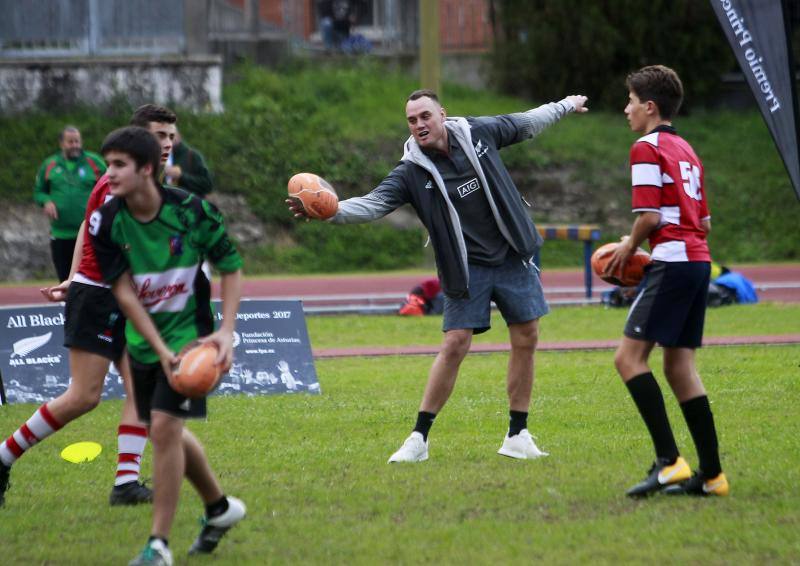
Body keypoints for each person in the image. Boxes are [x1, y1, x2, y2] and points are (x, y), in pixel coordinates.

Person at [288, 89, 588, 463]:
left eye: (425, 116)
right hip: (466, 268)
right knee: (455, 343)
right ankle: (419, 438)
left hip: (513, 254)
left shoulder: (479, 132)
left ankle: (517, 434)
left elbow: (526, 122)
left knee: (527, 336)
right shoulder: (410, 172)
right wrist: (330, 211)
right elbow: (373, 203)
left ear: (442, 115)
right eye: (412, 120)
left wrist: (564, 105)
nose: (419, 125)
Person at [0, 107, 180, 509]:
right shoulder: (119, 183)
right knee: (83, 396)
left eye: (171, 135)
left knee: (141, 387)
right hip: (101, 296)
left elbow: (88, 225)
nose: (167, 142)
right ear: (138, 139)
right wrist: (80, 277)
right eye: (159, 135)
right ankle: (3, 456)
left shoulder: (144, 179)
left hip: (116, 294)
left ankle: (126, 483)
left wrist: (71, 272)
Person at [89, 126, 245, 565]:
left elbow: (231, 266)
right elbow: (122, 291)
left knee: (163, 429)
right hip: (143, 341)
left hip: (191, 338)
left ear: (146, 169)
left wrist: (226, 332)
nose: (110, 173)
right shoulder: (106, 219)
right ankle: (219, 508)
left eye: (119, 165)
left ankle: (158, 544)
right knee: (168, 430)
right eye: (108, 164)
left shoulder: (194, 211)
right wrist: (156, 348)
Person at [605, 65, 728, 497]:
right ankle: (712, 476)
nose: (627, 109)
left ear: (650, 106)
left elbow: (651, 217)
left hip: (674, 261)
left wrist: (628, 247)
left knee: (628, 359)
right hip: (698, 261)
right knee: (679, 366)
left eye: (632, 101)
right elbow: (705, 222)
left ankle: (669, 461)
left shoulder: (646, 147)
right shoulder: (687, 149)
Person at [34, 126, 106, 281]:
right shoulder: (50, 165)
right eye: (70, 142)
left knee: (90, 281)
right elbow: (39, 191)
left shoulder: (94, 162)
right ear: (61, 143)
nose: (75, 145)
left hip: (90, 234)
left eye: (77, 141)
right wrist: (45, 201)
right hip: (60, 234)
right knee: (65, 280)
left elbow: (110, 186)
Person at [164, 129, 214, 197]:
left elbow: (208, 185)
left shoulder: (192, 156)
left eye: (172, 135)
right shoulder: (156, 156)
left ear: (179, 136)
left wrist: (181, 176)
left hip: (189, 205)